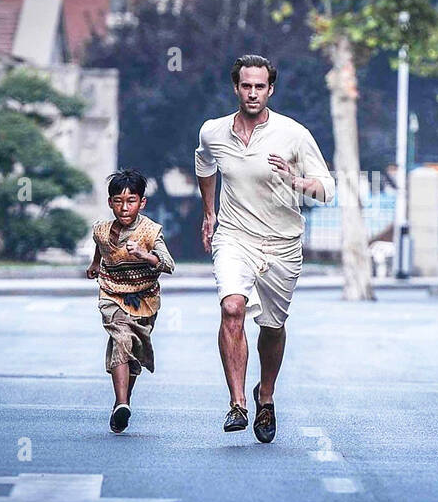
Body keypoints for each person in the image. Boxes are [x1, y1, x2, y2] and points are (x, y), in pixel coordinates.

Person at [194, 55, 336, 443]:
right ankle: (238, 402)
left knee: (272, 327)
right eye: (245, 85)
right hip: (234, 237)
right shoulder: (214, 132)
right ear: (235, 88)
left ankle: (265, 396)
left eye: (260, 86)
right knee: (231, 307)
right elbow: (204, 165)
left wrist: (296, 180)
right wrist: (210, 213)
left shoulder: (293, 134)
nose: (252, 93)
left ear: (270, 90)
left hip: (282, 243)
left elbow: (327, 189)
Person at [86, 168, 175, 433]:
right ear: (110, 202)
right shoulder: (101, 230)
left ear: (142, 202)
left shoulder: (150, 231)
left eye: (131, 201)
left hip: (143, 299)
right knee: (121, 338)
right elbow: (100, 245)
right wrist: (94, 264)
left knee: (133, 352)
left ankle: (120, 404)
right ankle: (123, 402)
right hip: (112, 293)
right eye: (118, 201)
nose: (124, 208)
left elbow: (169, 264)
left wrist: (145, 255)